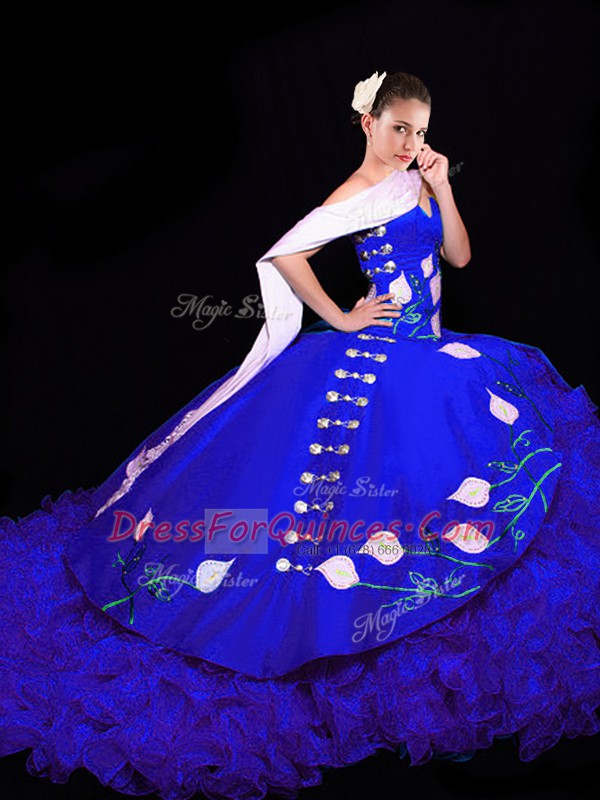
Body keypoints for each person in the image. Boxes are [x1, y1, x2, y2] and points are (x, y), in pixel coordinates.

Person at [1, 70, 599, 800]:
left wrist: (443, 187)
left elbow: (460, 257)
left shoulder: (418, 178)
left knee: (460, 469)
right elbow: (285, 254)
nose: (409, 142)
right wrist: (342, 317)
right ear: (368, 123)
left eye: (419, 130)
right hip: (382, 353)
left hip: (431, 350)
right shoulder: (356, 192)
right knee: (343, 487)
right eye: (398, 128)